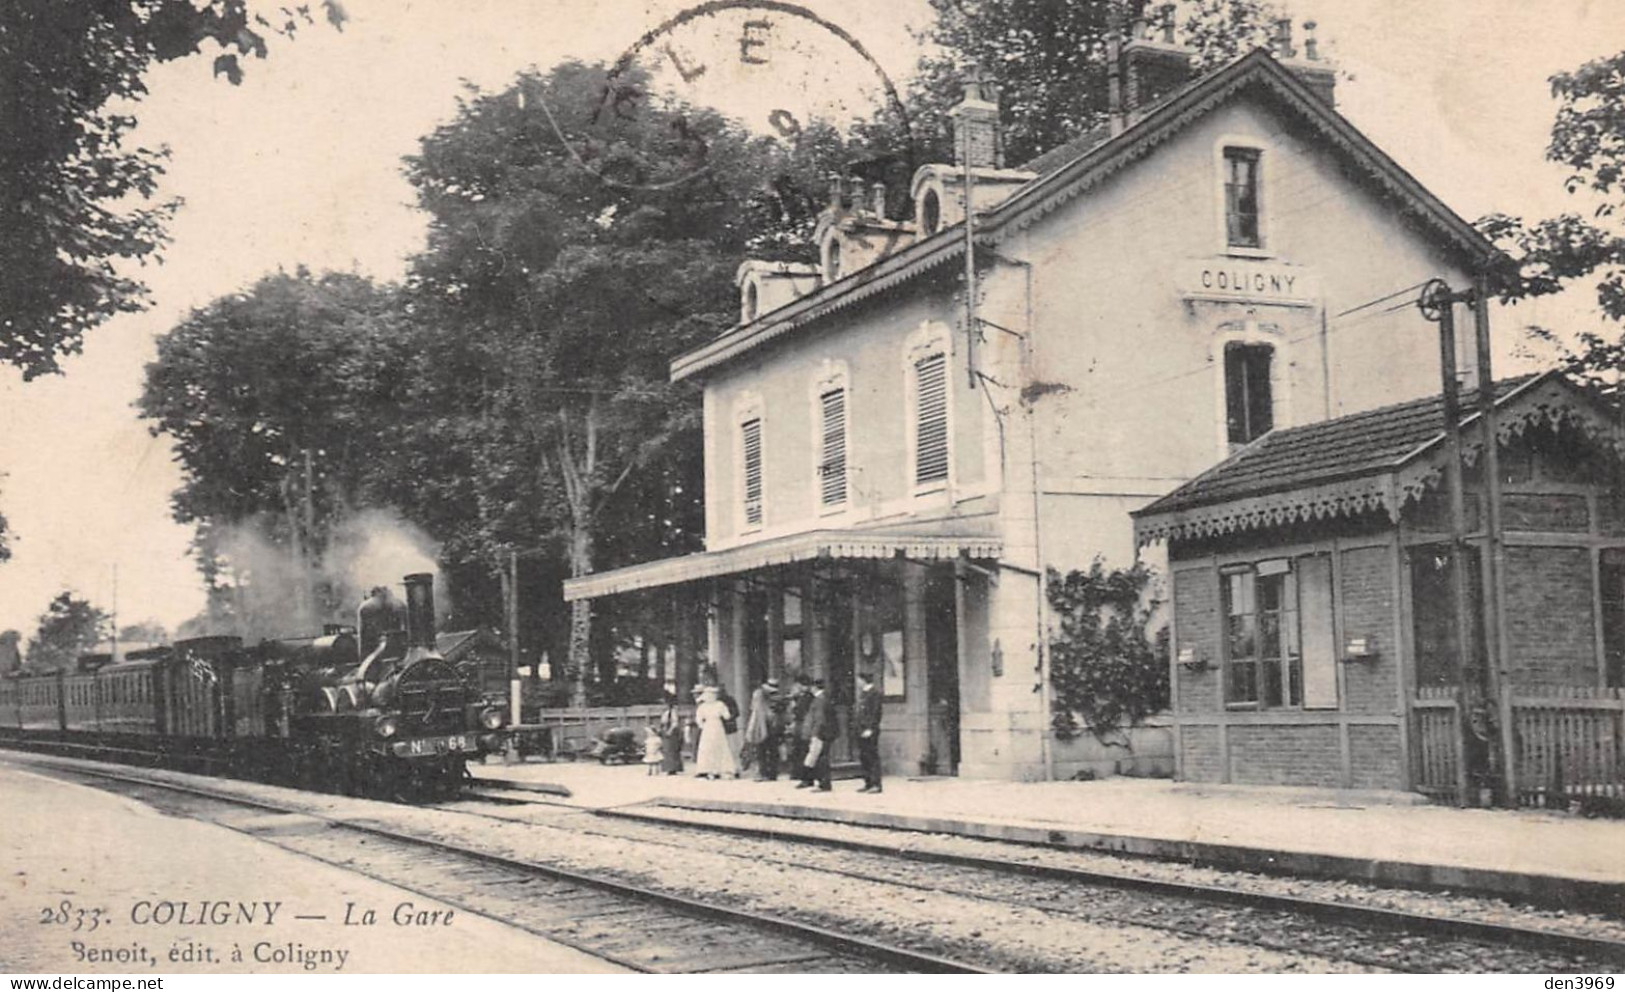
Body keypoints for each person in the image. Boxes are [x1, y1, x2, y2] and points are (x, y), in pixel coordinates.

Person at [693, 686, 739, 779]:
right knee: (720, 747)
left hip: (708, 728)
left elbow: (698, 719)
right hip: (717, 726)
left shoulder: (703, 706)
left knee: (707, 748)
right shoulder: (720, 705)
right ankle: (721, 768)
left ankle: (707, 768)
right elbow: (727, 716)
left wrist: (703, 726)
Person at [744, 678, 782, 781]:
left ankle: (764, 772)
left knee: (763, 750)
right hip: (770, 726)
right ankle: (770, 773)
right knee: (770, 750)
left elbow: (753, 709)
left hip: (764, 726)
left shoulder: (760, 696)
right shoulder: (774, 697)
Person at [801, 678, 835, 792]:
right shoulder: (823, 698)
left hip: (821, 734)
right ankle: (823, 783)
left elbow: (820, 719)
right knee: (821, 758)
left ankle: (823, 784)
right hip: (824, 733)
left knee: (821, 759)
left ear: (814, 688)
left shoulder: (820, 700)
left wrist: (815, 734)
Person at [855, 669, 883, 793]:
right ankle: (868, 783)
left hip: (869, 730)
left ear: (863, 680)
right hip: (861, 730)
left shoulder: (874, 693)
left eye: (859, 680)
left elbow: (876, 713)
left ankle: (876, 784)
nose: (857, 682)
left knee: (872, 757)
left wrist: (870, 728)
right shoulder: (863, 693)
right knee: (864, 757)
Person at [787, 674, 814, 786]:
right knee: (798, 750)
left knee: (803, 750)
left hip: (803, 726)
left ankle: (805, 776)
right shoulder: (801, 697)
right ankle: (799, 773)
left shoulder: (807, 697)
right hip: (800, 726)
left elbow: (799, 712)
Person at [658, 692, 685, 775]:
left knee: (672, 750)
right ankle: (667, 768)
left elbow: (675, 723)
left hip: (672, 732)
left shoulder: (672, 712)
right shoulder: (665, 713)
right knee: (666, 750)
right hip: (665, 731)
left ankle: (673, 768)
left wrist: (670, 731)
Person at [718, 684, 743, 771]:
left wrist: (729, 718)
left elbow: (736, 712)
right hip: (724, 728)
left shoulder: (729, 700)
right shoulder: (721, 701)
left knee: (732, 749)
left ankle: (734, 768)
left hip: (729, 728)